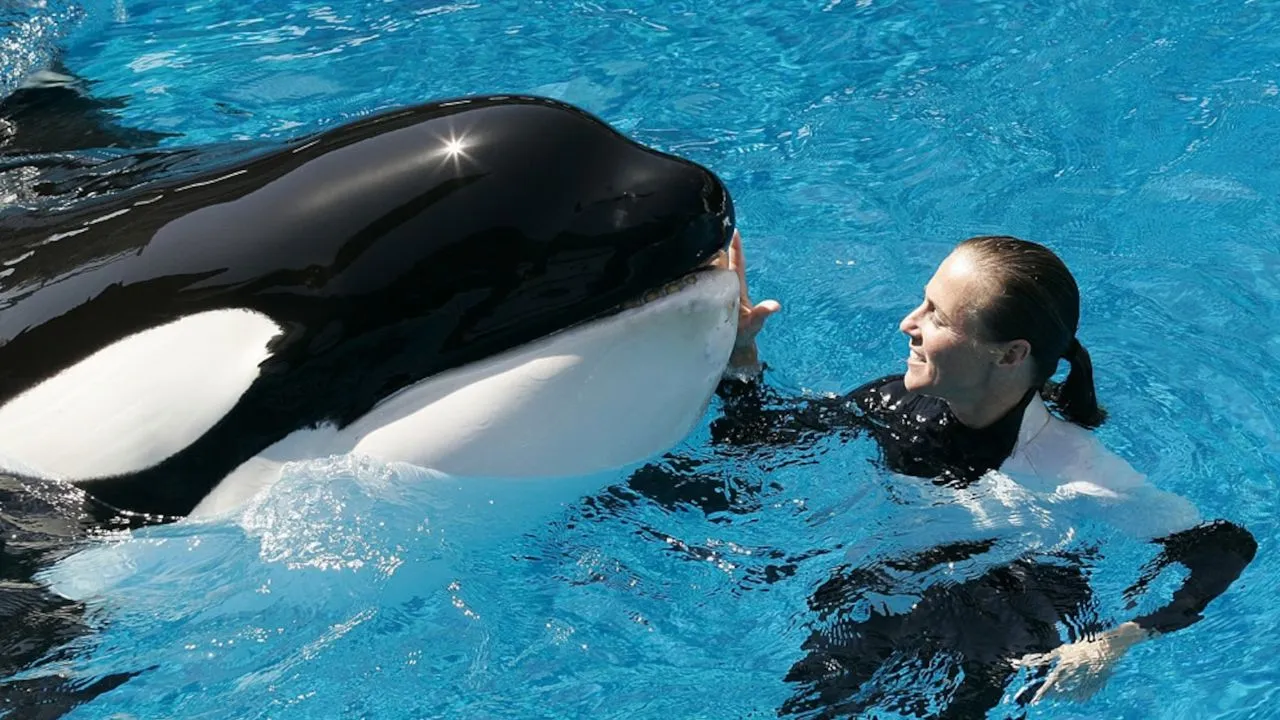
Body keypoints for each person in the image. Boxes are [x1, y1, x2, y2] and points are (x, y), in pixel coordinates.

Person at [707, 231, 1256, 718]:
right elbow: (757, 447)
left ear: (1010, 354)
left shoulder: (1075, 472)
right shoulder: (894, 401)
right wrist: (741, 360)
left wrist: (1114, 642)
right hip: (898, 577)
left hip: (1008, 602)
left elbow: (1224, 547)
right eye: (921, 303)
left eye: (937, 316)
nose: (908, 324)